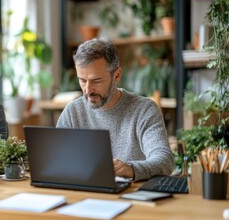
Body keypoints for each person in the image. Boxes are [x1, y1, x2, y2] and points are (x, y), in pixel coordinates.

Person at [56, 38, 174, 181]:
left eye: (96, 81)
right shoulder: (72, 112)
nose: (88, 90)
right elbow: (58, 161)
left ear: (116, 75)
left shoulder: (145, 110)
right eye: (82, 80)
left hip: (132, 196)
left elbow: (165, 161)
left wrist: (132, 169)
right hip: (85, 194)